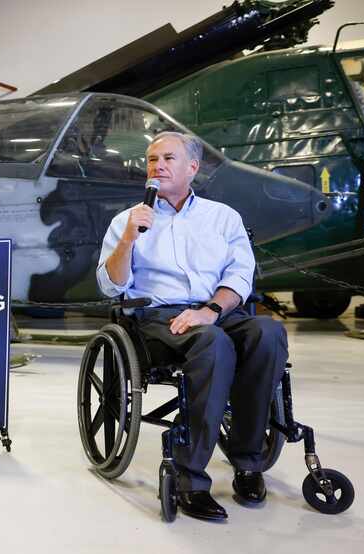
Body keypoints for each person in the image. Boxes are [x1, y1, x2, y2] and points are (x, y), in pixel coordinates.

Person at [96, 131, 288, 521]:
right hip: (156, 318)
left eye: (168, 158)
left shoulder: (222, 218)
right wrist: (129, 240)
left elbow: (240, 274)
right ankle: (191, 479)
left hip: (218, 311)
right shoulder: (126, 220)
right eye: (152, 160)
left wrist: (212, 310)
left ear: (193, 168)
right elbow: (111, 284)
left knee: (267, 333)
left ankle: (248, 462)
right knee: (213, 344)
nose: (158, 166)